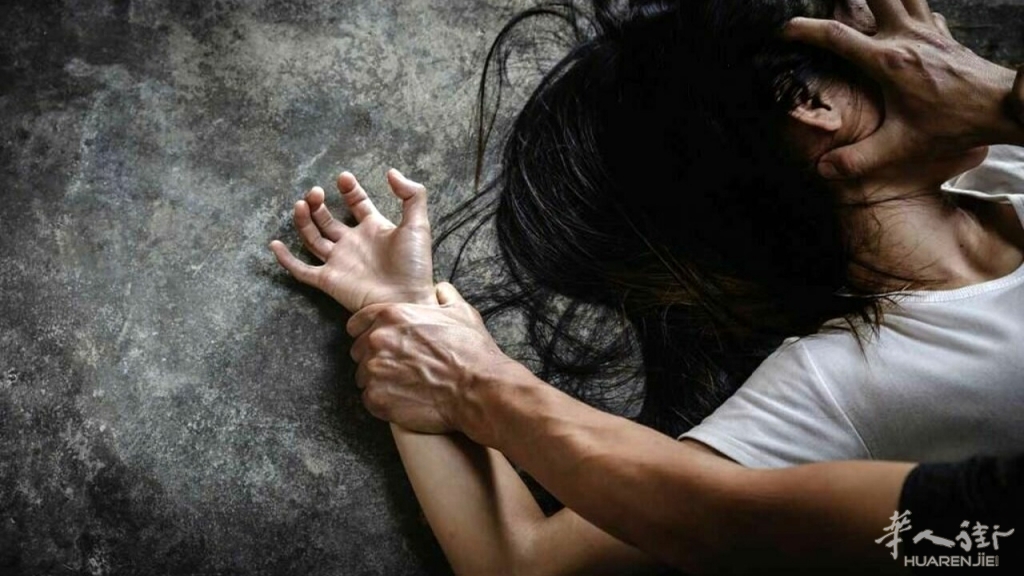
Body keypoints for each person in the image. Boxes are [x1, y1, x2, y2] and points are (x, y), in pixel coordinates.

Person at [269, 0, 1024, 572]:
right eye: (876, 35)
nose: (934, 31)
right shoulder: (846, 381)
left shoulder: (1003, 157)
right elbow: (525, 560)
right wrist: (408, 322)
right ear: (814, 107)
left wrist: (1003, 100)